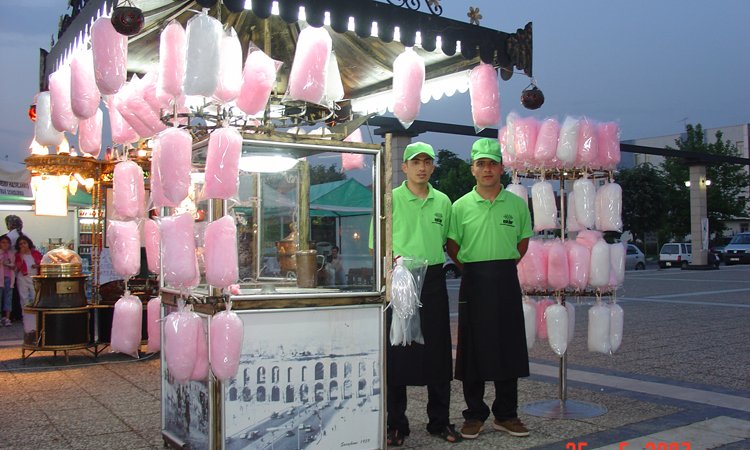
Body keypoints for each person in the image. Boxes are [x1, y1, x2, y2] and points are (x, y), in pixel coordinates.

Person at [446, 138, 533, 440]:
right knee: (472, 349)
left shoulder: (517, 204)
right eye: (481, 164)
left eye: (492, 164)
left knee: (508, 345)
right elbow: (452, 244)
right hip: (474, 279)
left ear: (501, 168)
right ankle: (474, 414)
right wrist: (471, 268)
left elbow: (523, 241)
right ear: (472, 169)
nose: (487, 169)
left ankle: (506, 414)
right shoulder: (460, 206)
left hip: (506, 279)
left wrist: (501, 265)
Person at [382, 142, 460, 445]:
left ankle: (439, 421)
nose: (422, 167)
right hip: (400, 279)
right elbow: (378, 245)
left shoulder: (443, 201)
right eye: (416, 162)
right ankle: (396, 424)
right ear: (404, 167)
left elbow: (447, 241)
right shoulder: (390, 199)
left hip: (433, 280)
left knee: (438, 352)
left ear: (433, 166)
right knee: (397, 351)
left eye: (427, 162)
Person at [14, 235, 42, 308]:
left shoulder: (35, 253)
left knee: (35, 296)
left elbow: (42, 264)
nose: (23, 245)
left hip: (34, 277)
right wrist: (21, 255)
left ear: (28, 243)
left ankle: (35, 313)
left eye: (24, 243)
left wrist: (37, 266)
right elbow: (18, 267)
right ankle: (25, 313)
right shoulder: (18, 255)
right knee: (24, 298)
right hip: (22, 277)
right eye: (20, 244)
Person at [0, 235, 15, 326]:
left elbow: (14, 266)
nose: (5, 244)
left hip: (9, 278)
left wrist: (10, 265)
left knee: (8, 298)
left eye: (7, 243)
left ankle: (7, 318)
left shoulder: (11, 254)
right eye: (3, 242)